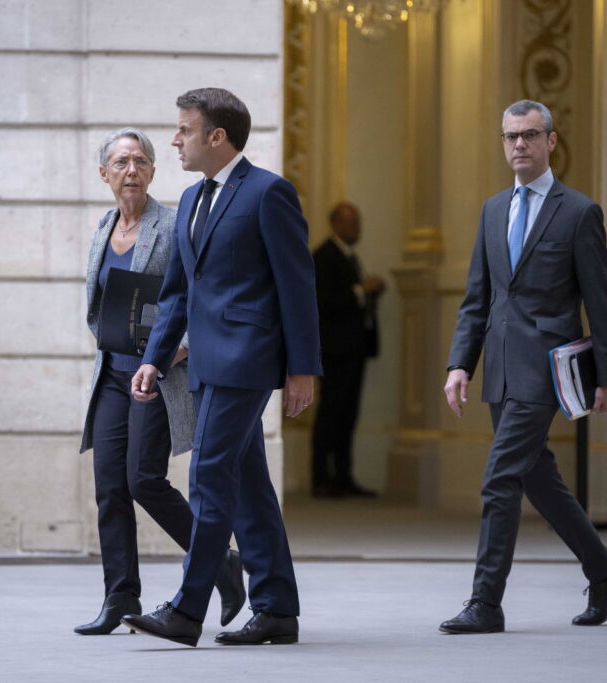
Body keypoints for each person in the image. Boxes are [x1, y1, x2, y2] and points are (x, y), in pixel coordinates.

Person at [122, 88, 322, 647]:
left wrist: (302, 368)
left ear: (217, 136)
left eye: (184, 130)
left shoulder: (268, 192)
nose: (175, 140)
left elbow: (296, 285)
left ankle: (187, 611)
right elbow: (177, 292)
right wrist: (154, 359)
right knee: (249, 485)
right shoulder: (190, 199)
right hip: (205, 365)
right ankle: (277, 610)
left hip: (248, 360)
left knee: (209, 476)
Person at [440, 100, 607, 634]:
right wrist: (460, 364)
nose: (519, 145)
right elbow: (477, 298)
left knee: (500, 478)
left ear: (551, 141)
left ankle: (486, 603)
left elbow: (600, 302)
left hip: (546, 369)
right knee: (538, 480)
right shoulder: (492, 210)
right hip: (500, 369)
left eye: (529, 135)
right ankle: (605, 573)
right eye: (510, 136)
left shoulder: (579, 212)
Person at [75, 128, 244, 636]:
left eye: (141, 161)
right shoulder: (104, 226)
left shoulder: (172, 226)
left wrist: (181, 345)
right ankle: (120, 596)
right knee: (110, 487)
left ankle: (219, 561)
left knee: (143, 479)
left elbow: (201, 295)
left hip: (158, 374)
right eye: (121, 163)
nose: (131, 171)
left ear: (152, 171)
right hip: (112, 374)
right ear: (103, 174)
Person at [311, 201, 384, 498]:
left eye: (358, 222)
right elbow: (324, 301)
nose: (357, 229)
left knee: (348, 414)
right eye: (351, 223)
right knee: (330, 412)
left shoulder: (349, 256)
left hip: (353, 348)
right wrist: (360, 290)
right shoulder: (324, 256)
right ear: (335, 224)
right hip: (334, 349)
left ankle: (343, 476)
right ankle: (321, 477)